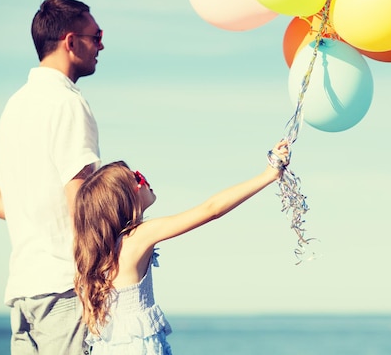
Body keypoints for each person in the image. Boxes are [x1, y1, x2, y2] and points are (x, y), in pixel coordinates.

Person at [73, 141, 290, 355]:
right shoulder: (139, 237)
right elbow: (211, 210)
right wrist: (268, 174)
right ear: (125, 198)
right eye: (137, 177)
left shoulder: (102, 256)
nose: (145, 179)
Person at [0, 0, 105, 355]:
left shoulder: (14, 105)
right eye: (96, 35)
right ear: (71, 42)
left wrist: (37, 211)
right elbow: (79, 202)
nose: (101, 44)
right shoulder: (68, 102)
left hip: (23, 292)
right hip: (63, 289)